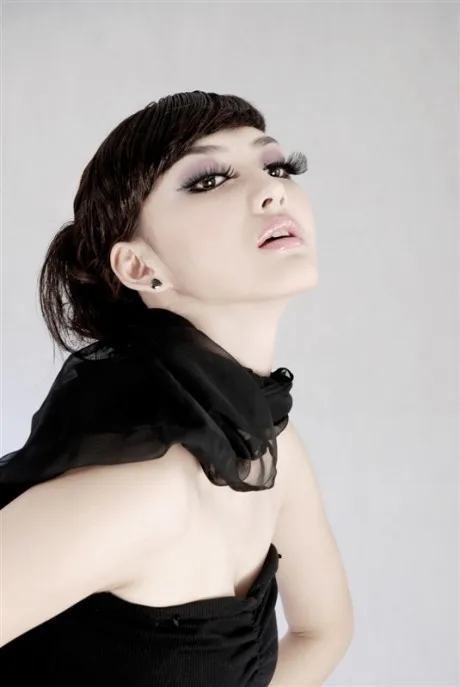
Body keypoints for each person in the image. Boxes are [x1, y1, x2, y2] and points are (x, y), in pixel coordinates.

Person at [0, 91, 353, 685]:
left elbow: (326, 631)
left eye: (279, 166)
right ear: (140, 267)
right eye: (210, 179)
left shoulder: (273, 450)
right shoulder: (142, 494)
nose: (273, 191)